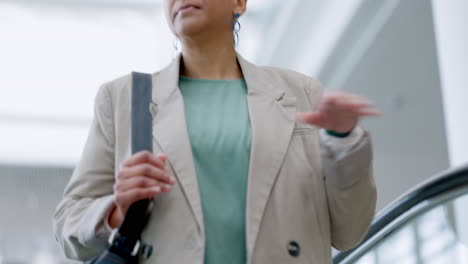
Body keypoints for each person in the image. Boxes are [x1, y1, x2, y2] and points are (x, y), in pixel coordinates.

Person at [53, 0, 379, 263]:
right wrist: (117, 211)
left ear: (240, 3)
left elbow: (349, 231)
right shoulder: (123, 98)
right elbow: (69, 221)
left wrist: (342, 140)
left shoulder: (301, 92)